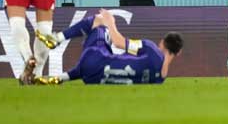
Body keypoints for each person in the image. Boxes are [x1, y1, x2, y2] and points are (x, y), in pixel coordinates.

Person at [33, 9, 182, 85]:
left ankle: (57, 38)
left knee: (98, 21)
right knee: (102, 63)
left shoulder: (151, 49)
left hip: (94, 59)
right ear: (178, 53)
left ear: (162, 42)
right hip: (94, 79)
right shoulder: (159, 80)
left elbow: (118, 42)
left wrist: (110, 21)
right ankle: (58, 78)